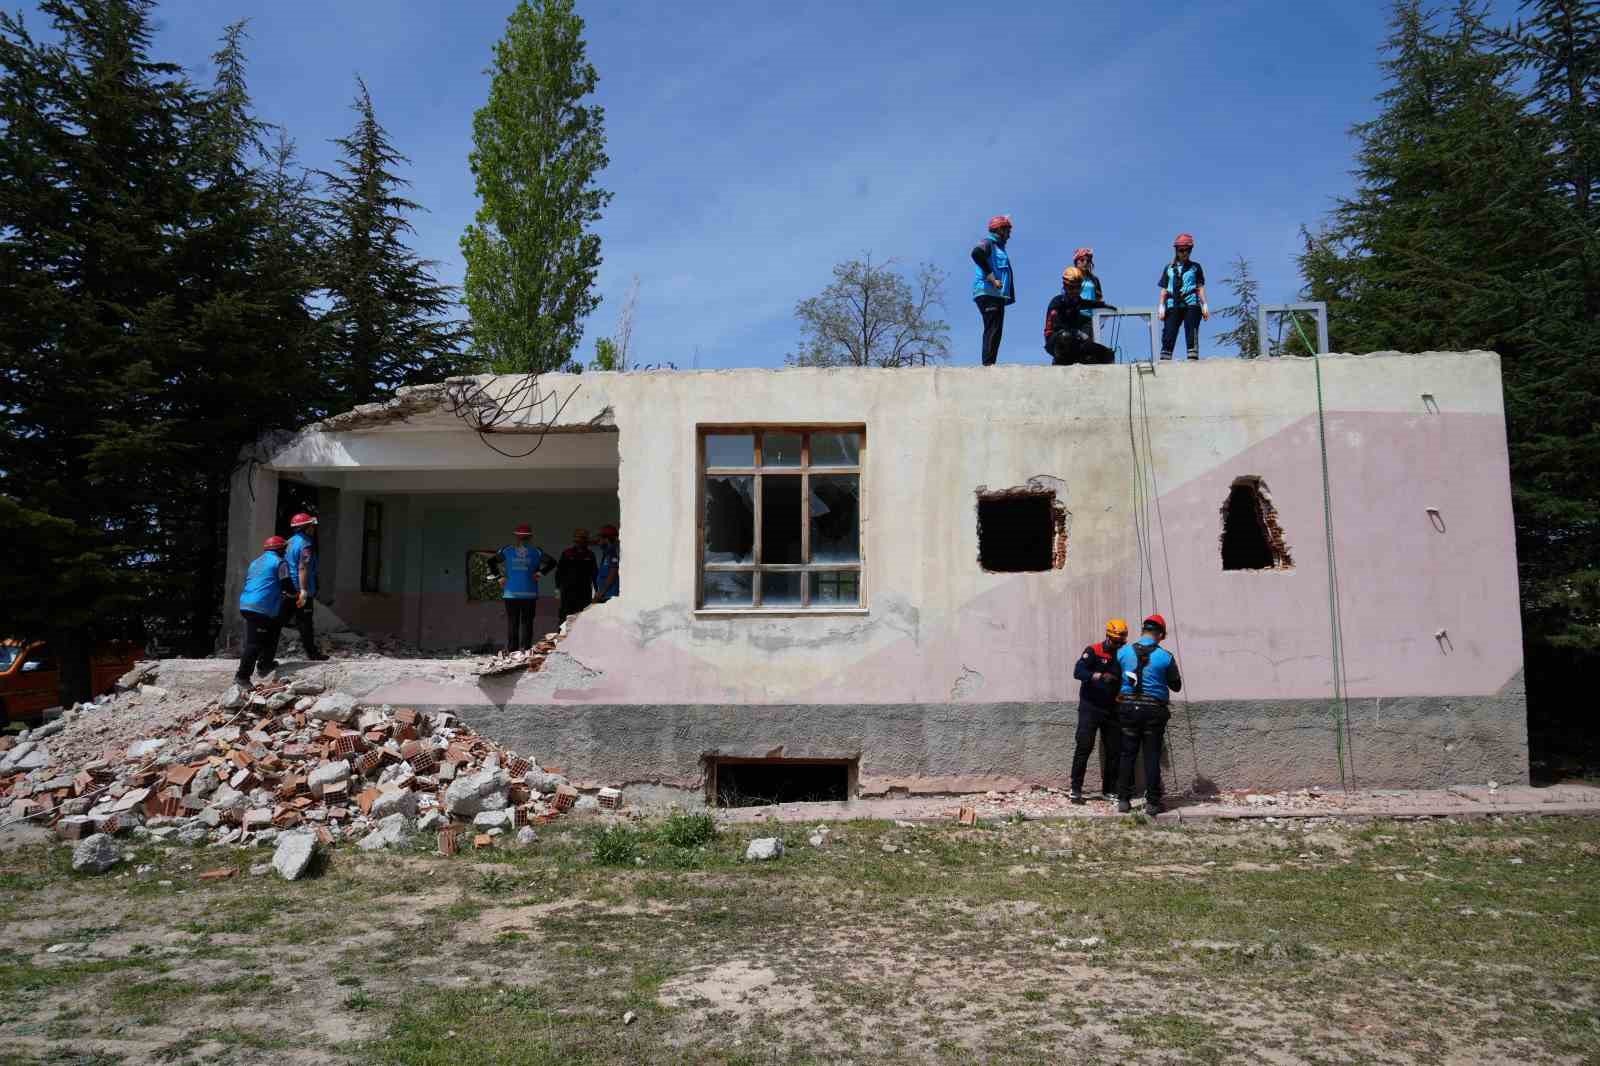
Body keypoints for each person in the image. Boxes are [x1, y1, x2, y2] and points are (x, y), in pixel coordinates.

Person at [1115, 613, 1183, 814]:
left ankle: (1123, 801)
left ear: (1143, 631)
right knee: (1151, 756)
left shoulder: (1123, 652)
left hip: (1128, 709)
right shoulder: (1166, 657)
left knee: (1127, 754)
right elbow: (1176, 686)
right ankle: (1153, 803)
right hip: (1153, 711)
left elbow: (1118, 676)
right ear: (1160, 635)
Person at [1069, 618, 1127, 803]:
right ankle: (1076, 788)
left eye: (1121, 642)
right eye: (1115, 641)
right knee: (1084, 745)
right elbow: (1078, 671)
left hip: (1112, 709)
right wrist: (1099, 676)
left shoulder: (1123, 655)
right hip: (1090, 707)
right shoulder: (1093, 650)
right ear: (1108, 637)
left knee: (1113, 750)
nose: (1118, 645)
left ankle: (1109, 789)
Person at [487, 523, 555, 652]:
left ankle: (513, 651)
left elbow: (491, 561)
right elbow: (552, 562)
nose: (522, 539)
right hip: (529, 594)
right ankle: (525, 650)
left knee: (513, 623)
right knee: (527, 623)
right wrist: (540, 573)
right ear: (530, 537)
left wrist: (499, 577)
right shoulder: (536, 551)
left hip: (511, 595)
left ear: (516, 537)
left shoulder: (507, 550)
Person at [235, 535, 292, 687]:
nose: (285, 552)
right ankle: (242, 676)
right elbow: (286, 585)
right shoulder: (280, 562)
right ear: (280, 549)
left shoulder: (255, 562)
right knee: (254, 644)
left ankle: (265, 664)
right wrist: (297, 594)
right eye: (284, 549)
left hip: (248, 604)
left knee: (274, 628)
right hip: (260, 608)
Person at [1044, 267, 1116, 365]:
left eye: (1078, 288)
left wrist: (1104, 305)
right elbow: (1058, 328)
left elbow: (1089, 304)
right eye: (1072, 288)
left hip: (1073, 340)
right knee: (1065, 337)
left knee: (1106, 354)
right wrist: (1080, 334)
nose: (1075, 291)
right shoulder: (1057, 304)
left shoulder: (1078, 302)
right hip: (1056, 341)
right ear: (1065, 286)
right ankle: (1060, 362)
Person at [971, 215, 1016, 365]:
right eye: (1007, 230)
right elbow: (976, 253)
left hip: (996, 295)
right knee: (993, 328)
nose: (1009, 235)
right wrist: (991, 277)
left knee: (996, 330)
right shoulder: (988, 242)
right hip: (987, 292)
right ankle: (988, 365)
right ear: (999, 229)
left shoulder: (999, 247)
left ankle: (990, 363)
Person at [1156, 233, 1209, 361]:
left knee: (1191, 330)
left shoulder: (1195, 267)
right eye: (1181, 250)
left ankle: (1192, 357)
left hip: (1191, 303)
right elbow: (1164, 289)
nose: (1184, 253)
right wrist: (1161, 306)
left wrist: (1205, 305)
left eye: (1187, 250)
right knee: (1169, 332)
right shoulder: (1169, 268)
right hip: (1172, 304)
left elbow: (1200, 287)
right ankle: (1165, 358)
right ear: (1176, 250)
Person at [284, 512, 327, 661]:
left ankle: (265, 654)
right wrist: (303, 590)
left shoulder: (289, 542)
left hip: (289, 587)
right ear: (306, 528)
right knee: (305, 622)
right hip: (301, 590)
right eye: (312, 526)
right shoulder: (306, 544)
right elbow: (303, 567)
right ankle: (312, 653)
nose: (314, 528)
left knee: (280, 620)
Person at [555, 528, 599, 623]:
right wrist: (557, 588)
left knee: (582, 617)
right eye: (578, 540)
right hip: (568, 591)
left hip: (584, 592)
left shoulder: (590, 555)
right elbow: (559, 571)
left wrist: (597, 591)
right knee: (565, 617)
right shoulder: (567, 553)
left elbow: (594, 574)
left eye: (583, 539)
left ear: (586, 541)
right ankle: (563, 636)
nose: (580, 542)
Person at [1072, 247, 1105, 332]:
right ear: (1076, 262)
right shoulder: (1072, 278)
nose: (1085, 263)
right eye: (1082, 260)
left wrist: (1102, 314)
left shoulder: (1094, 279)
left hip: (1091, 318)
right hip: (1075, 316)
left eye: (1088, 261)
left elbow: (1099, 299)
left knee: (1089, 342)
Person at [594, 524, 620, 603]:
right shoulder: (607, 554)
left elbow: (612, 575)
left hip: (609, 597)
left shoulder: (612, 554)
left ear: (606, 539)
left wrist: (600, 593)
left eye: (600, 538)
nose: (598, 541)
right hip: (604, 596)